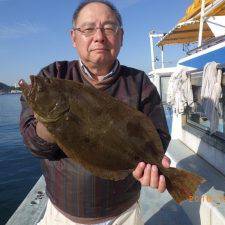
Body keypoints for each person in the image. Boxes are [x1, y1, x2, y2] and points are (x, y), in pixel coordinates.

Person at [19, 0, 171, 224]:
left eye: (109, 28)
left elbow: (159, 135)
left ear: (121, 36)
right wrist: (54, 123)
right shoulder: (52, 75)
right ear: (73, 37)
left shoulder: (139, 83)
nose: (99, 36)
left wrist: (151, 165)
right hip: (62, 215)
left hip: (124, 214)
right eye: (88, 29)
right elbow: (33, 143)